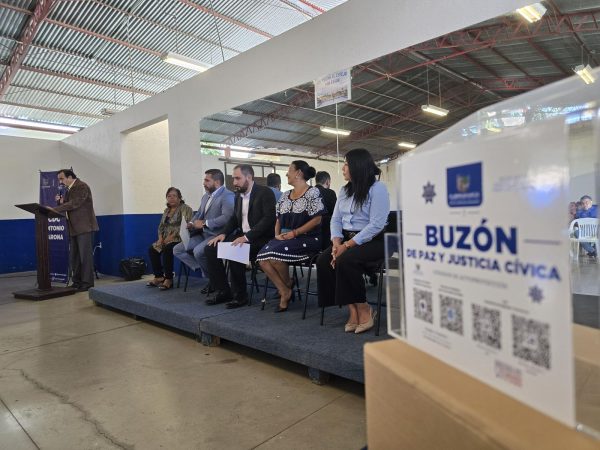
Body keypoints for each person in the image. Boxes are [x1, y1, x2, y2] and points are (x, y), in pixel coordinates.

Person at [316, 149, 390, 334]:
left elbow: (376, 224)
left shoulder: (377, 188)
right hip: (346, 240)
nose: (343, 168)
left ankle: (364, 308)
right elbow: (335, 219)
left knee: (346, 260)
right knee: (324, 260)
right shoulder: (344, 190)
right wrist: (336, 243)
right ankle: (352, 308)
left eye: (346, 164)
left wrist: (346, 246)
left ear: (358, 166)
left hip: (373, 240)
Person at [204, 165, 276, 308]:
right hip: (243, 237)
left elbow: (269, 219)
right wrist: (223, 234)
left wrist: (247, 237)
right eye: (233, 179)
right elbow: (234, 219)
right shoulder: (238, 195)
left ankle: (240, 296)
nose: (234, 182)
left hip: (261, 239)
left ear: (249, 177)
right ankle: (223, 291)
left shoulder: (264, 192)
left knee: (235, 250)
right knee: (210, 248)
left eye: (237, 178)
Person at [257, 161, 325, 312]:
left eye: (289, 170)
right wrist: (277, 235)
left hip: (308, 238)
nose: (287, 173)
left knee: (274, 257)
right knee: (262, 258)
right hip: (286, 237)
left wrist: (295, 233)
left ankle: (286, 287)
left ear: (298, 173)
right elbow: (278, 219)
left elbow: (317, 219)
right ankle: (285, 289)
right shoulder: (285, 195)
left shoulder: (313, 192)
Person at [173, 169, 234, 293]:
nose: (204, 183)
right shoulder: (206, 196)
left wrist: (206, 223)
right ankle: (212, 275)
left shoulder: (227, 196)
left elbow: (227, 218)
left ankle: (214, 280)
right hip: (203, 234)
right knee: (177, 249)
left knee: (198, 252)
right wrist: (191, 223)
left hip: (217, 235)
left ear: (217, 182)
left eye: (207, 180)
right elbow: (199, 214)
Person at [54, 169, 99, 292]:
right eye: (59, 179)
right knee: (75, 257)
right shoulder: (69, 189)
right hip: (73, 227)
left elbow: (75, 203)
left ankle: (87, 283)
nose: (60, 182)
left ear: (70, 177)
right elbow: (69, 204)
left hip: (84, 227)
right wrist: (60, 202)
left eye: (61, 178)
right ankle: (77, 282)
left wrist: (55, 209)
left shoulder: (82, 186)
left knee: (85, 257)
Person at [147, 188, 193, 290]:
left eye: (174, 196)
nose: (171, 198)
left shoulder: (186, 209)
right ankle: (159, 276)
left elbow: (185, 225)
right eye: (169, 196)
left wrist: (171, 237)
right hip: (165, 238)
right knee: (152, 249)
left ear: (179, 198)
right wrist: (160, 238)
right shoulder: (166, 210)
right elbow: (161, 226)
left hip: (180, 239)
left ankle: (169, 279)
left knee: (168, 249)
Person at [315, 171, 337, 250]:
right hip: (326, 232)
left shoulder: (308, 192)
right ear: (327, 182)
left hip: (310, 231)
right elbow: (335, 213)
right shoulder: (330, 193)